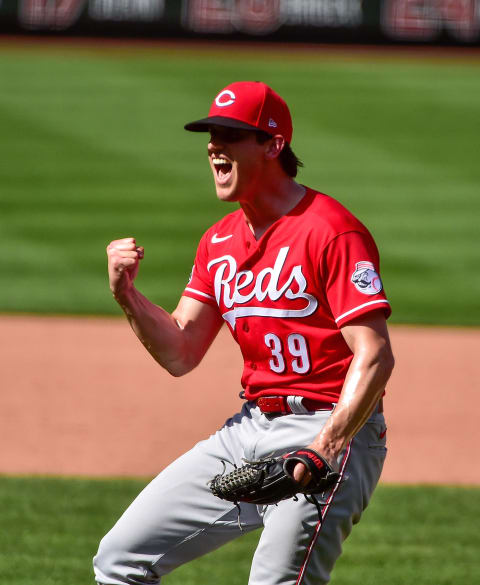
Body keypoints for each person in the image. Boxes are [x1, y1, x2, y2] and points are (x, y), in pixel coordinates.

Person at [94, 81, 394, 585]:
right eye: (212, 134)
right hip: (248, 431)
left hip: (329, 431)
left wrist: (325, 446)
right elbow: (180, 351)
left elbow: (376, 355)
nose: (215, 146)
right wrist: (127, 295)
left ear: (273, 146)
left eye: (231, 135)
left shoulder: (332, 230)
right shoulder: (218, 241)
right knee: (119, 559)